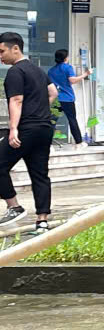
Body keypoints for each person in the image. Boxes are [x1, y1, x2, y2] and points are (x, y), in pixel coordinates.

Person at [0, 33, 59, 233]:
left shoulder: (16, 72)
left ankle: (14, 206)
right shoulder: (38, 70)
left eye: (2, 51)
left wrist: (14, 128)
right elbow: (53, 93)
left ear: (15, 48)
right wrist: (40, 110)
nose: (0, 56)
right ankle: (42, 221)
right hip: (44, 128)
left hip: (26, 129)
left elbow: (16, 100)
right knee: (40, 174)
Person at [47, 49, 91, 149]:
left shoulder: (51, 70)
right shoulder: (67, 67)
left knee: (52, 121)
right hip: (67, 98)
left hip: (56, 98)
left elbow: (49, 85)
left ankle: (48, 145)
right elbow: (73, 80)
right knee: (72, 120)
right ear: (66, 58)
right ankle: (79, 143)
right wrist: (86, 74)